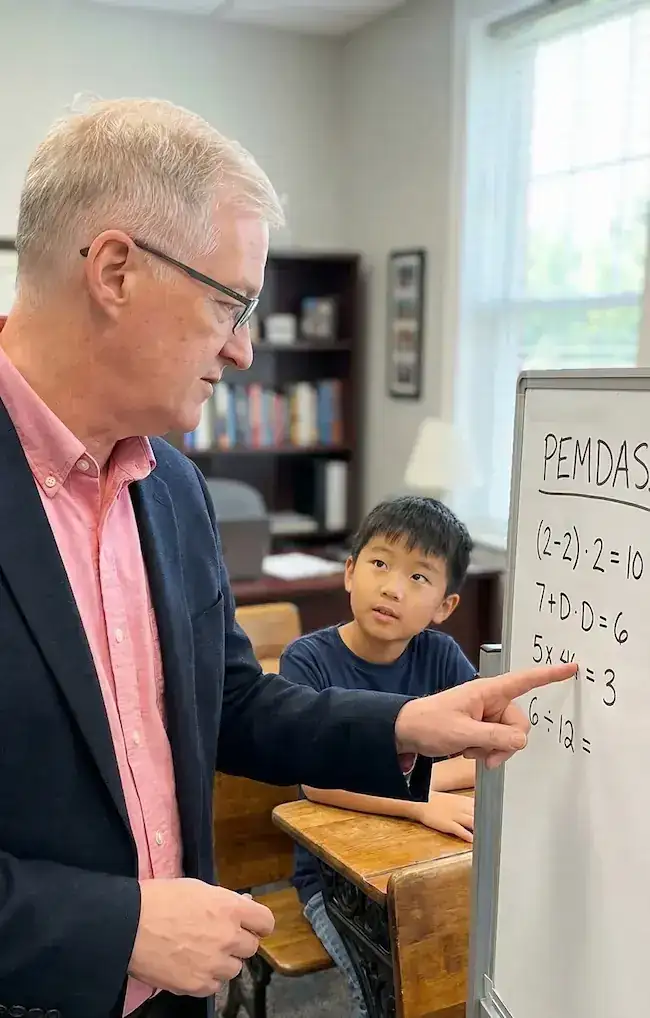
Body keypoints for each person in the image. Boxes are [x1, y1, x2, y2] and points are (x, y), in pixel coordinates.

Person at [0, 96, 576, 1018]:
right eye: (230, 302)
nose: (242, 347)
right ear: (115, 271)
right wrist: (112, 927)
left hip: (180, 994)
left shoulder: (174, 491)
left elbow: (233, 705)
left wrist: (403, 728)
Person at [281, 495, 477, 1017]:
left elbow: (481, 749)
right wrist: (418, 799)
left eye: (419, 577)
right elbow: (317, 783)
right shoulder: (308, 661)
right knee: (388, 995)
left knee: (458, 968)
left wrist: (422, 785)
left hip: (425, 865)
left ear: (444, 606)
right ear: (350, 572)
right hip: (334, 885)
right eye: (380, 563)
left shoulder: (441, 657)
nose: (392, 586)